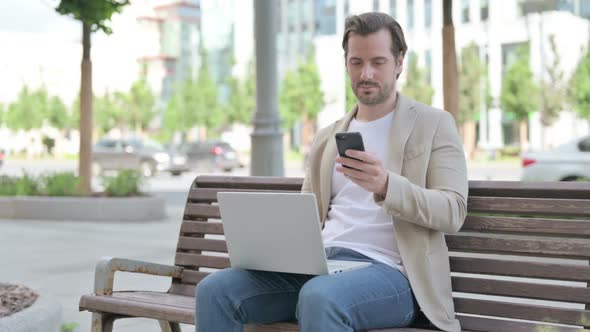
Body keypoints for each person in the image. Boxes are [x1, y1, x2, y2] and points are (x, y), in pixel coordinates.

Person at [195, 12, 468, 332]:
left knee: (320, 296)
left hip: (393, 275)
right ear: (346, 63)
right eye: (356, 62)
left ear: (399, 62)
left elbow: (453, 210)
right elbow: (305, 216)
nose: (366, 73)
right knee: (215, 290)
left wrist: (386, 185)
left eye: (378, 62)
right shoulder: (327, 138)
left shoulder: (433, 124)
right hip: (323, 268)